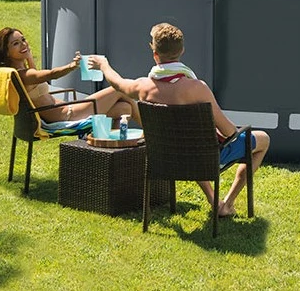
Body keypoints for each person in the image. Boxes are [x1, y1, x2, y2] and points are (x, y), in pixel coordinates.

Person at [84, 22, 270, 219]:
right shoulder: (197, 88)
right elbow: (229, 132)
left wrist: (103, 65)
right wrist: (233, 130)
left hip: (165, 156)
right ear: (182, 51)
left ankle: (214, 201)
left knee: (188, 141)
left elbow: (118, 83)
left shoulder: (142, 87)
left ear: (155, 54)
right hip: (204, 156)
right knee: (262, 139)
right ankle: (227, 203)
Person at [0, 27, 134, 122]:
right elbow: (51, 74)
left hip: (68, 109)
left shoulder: (24, 74)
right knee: (119, 89)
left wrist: (28, 56)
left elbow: (36, 77)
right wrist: (71, 66)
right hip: (68, 114)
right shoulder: (25, 75)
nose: (23, 44)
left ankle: (115, 152)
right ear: (6, 52)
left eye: (23, 39)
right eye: (16, 43)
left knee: (124, 108)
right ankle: (148, 134)